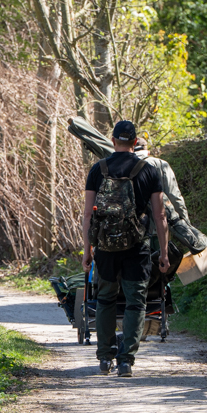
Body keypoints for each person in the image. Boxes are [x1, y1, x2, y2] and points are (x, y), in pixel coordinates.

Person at [81, 120, 169, 378]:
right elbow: (160, 215)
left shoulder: (98, 169)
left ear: (112, 141)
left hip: (105, 246)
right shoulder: (149, 170)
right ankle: (125, 361)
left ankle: (104, 357)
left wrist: (87, 250)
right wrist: (164, 253)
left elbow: (87, 215)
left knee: (105, 299)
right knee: (135, 301)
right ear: (135, 142)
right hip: (137, 247)